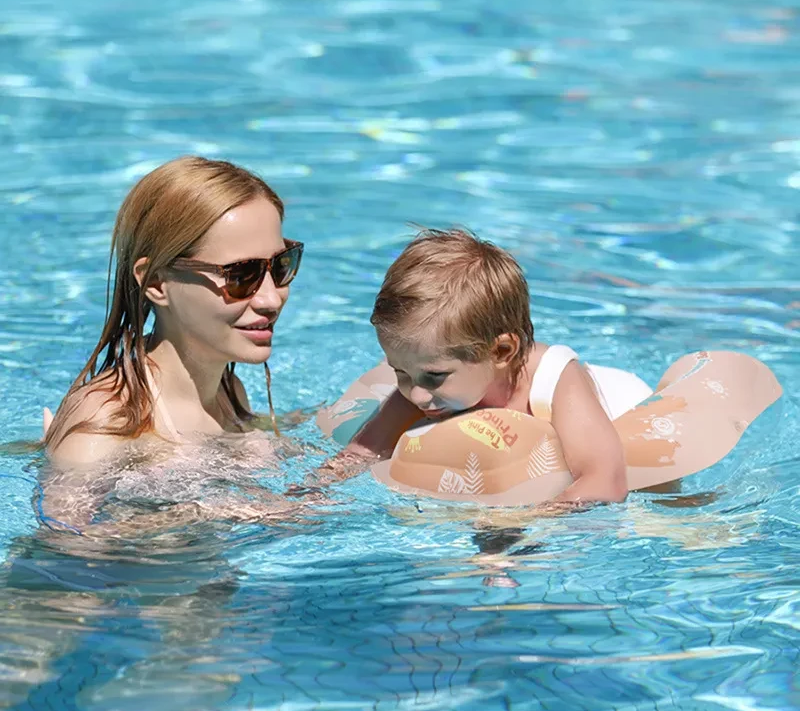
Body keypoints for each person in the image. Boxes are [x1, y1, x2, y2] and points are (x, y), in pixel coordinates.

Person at [344, 227, 654, 504]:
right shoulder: (424, 384)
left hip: (621, 405)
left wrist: (528, 522)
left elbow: (604, 482)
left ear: (502, 351)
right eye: (400, 372)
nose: (416, 396)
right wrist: (306, 501)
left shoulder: (556, 381)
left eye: (435, 376)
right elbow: (360, 454)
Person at [44, 155, 303, 471]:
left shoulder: (229, 393)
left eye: (280, 265)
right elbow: (60, 522)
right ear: (156, 282)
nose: (271, 299)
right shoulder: (104, 428)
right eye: (241, 274)